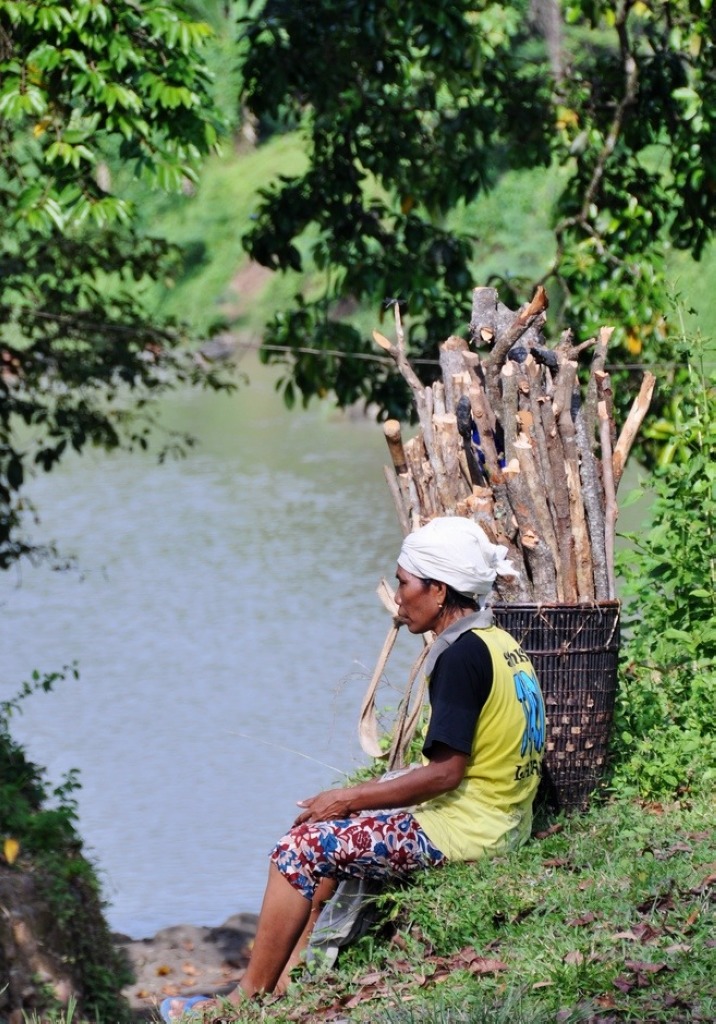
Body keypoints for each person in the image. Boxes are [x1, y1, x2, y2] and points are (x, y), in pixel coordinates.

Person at [161, 516, 546, 1021]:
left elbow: (446, 773)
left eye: (405, 583)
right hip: (502, 821)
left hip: (468, 830)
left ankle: (242, 1005)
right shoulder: (500, 643)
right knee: (327, 834)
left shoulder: (460, 658)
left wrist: (349, 797)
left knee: (295, 850)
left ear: (437, 590)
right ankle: (286, 982)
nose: (399, 597)